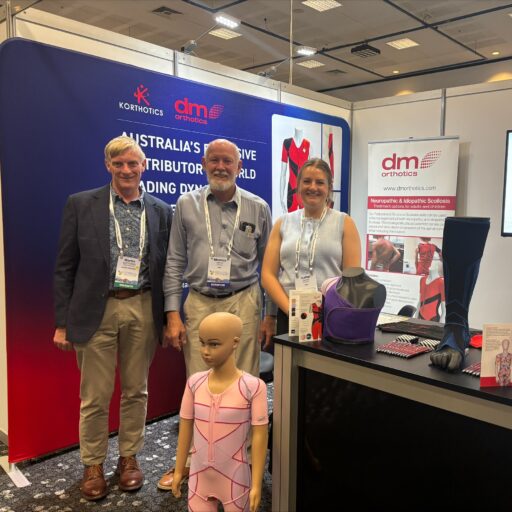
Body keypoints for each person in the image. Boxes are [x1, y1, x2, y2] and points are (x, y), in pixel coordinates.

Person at [53, 136, 173, 500]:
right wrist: (62, 323)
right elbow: (65, 267)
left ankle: (129, 458)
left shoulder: (160, 210)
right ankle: (92, 463)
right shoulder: (81, 204)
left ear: (144, 166)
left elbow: (167, 267)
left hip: (143, 305)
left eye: (132, 163)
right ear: (108, 165)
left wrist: (170, 317)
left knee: (137, 389)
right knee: (95, 395)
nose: (126, 170)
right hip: (97, 309)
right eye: (118, 163)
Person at [159, 138, 275, 489]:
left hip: (244, 302)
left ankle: (241, 461)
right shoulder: (186, 204)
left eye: (228, 161)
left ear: (240, 167)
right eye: (214, 160)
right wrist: (172, 313)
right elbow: (174, 260)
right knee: (199, 385)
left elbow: (269, 266)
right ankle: (194, 462)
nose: (221, 167)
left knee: (244, 384)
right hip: (199, 302)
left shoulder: (258, 207)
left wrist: (269, 315)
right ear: (204, 164)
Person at [171, 312, 268, 512]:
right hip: (199, 479)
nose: (205, 351)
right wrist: (179, 470)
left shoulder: (253, 387)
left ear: (235, 342)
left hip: (236, 479)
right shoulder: (194, 383)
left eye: (214, 344)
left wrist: (256, 484)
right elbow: (185, 428)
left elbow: (260, 436)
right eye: (202, 343)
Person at [262, 157, 361, 335]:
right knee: (287, 355)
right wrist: (292, 310)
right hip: (288, 313)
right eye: (307, 181)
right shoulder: (282, 223)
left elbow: (351, 279)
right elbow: (268, 274)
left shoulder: (344, 223)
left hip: (329, 316)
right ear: (298, 186)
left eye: (320, 182)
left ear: (329, 188)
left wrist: (325, 312)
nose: (313, 187)